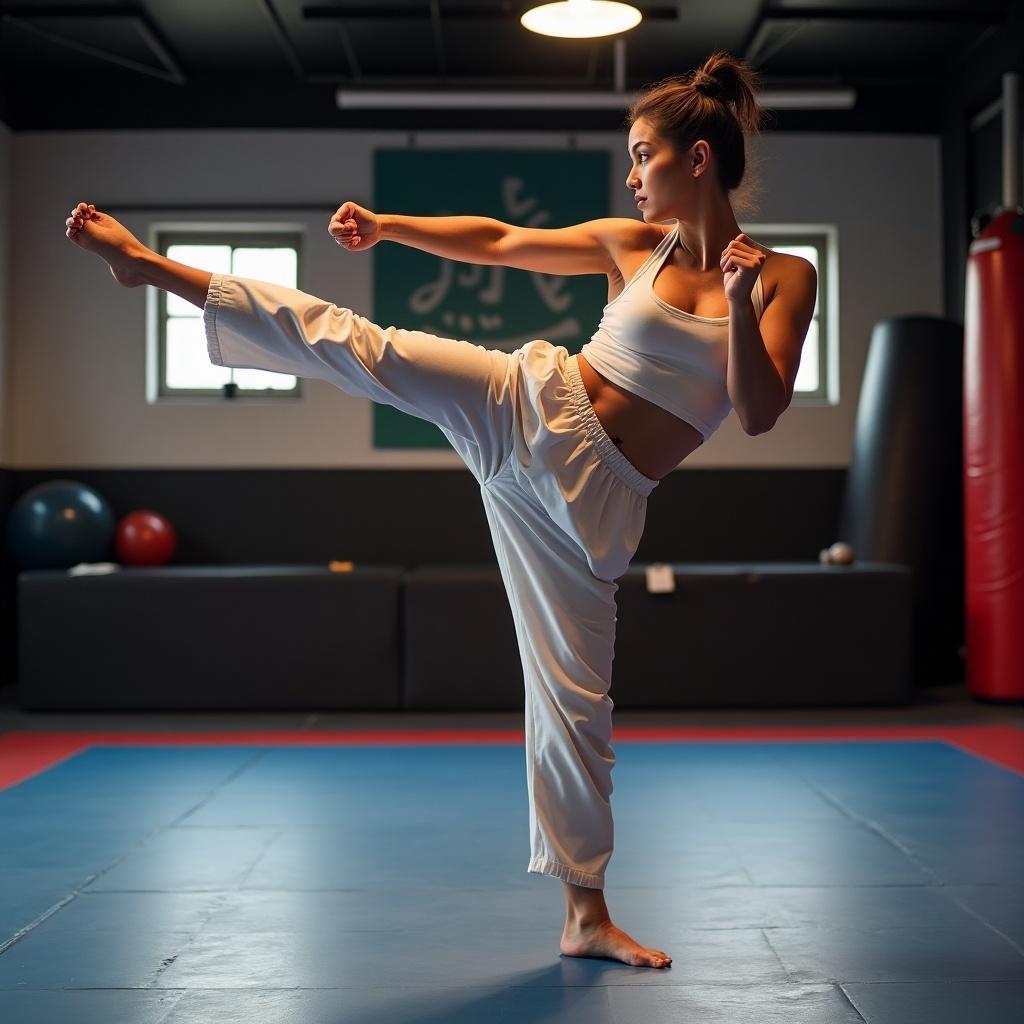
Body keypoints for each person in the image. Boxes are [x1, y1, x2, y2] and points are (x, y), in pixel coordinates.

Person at [63, 50, 816, 970]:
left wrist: (738, 304)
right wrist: (388, 227)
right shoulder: (632, 245)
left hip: (590, 506)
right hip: (533, 402)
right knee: (363, 346)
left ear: (695, 160)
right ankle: (154, 271)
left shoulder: (783, 277)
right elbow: (499, 241)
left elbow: (760, 410)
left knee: (573, 704)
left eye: (641, 157)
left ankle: (585, 917)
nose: (631, 176)